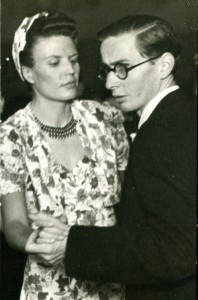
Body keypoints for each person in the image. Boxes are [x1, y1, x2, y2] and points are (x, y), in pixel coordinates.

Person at [28, 15, 197, 300]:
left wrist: (73, 244)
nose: (109, 82)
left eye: (123, 68)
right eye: (106, 70)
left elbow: (176, 249)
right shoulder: (183, 115)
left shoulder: (162, 133)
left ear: (164, 65)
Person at [0, 12, 129, 300]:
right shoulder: (10, 137)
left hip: (111, 283)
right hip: (50, 288)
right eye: (55, 63)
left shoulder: (106, 119)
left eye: (73, 59)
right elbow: (14, 223)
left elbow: (129, 206)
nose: (70, 70)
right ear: (29, 72)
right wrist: (33, 242)